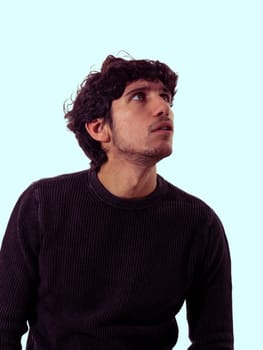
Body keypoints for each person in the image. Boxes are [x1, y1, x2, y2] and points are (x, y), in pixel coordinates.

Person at [0, 55, 234, 349]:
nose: (163, 108)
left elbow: (215, 341)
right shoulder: (42, 205)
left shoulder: (199, 223)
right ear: (99, 128)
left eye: (165, 97)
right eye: (139, 96)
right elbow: (4, 328)